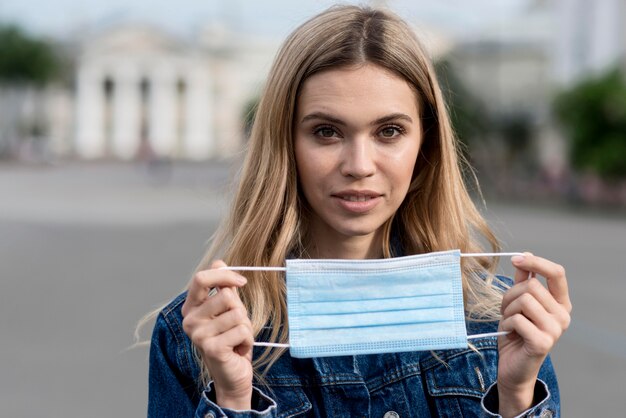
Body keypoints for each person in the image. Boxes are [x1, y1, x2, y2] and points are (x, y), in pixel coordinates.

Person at [146, 5, 571, 417]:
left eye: (389, 131)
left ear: (425, 144)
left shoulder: (497, 323)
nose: (359, 165)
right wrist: (234, 400)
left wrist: (516, 397)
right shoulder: (198, 335)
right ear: (285, 143)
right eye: (326, 132)